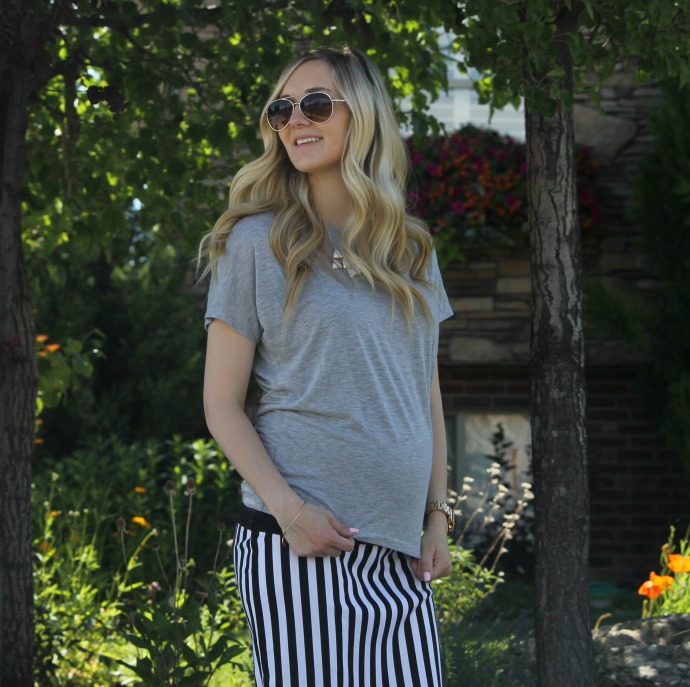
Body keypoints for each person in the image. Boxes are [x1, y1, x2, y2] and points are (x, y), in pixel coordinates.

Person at [201, 45, 454, 686]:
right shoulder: (256, 241)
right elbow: (221, 405)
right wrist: (290, 513)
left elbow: (423, 393)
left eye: (315, 104)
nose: (294, 121)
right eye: (281, 109)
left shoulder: (411, 249)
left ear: (361, 116)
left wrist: (436, 516)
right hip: (301, 544)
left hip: (400, 556)